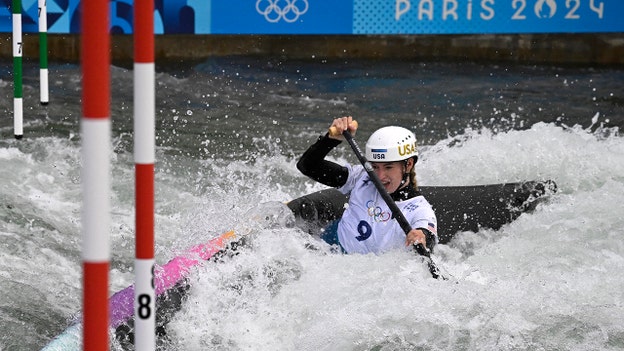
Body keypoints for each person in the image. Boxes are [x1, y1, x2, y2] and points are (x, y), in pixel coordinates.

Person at [296, 116, 438, 255]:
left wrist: (421, 236)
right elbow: (307, 166)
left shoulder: (420, 209)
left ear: (408, 165)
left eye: (388, 167)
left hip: (360, 270)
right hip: (329, 248)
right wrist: (331, 139)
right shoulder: (361, 176)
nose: (380, 176)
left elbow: (427, 237)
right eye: (375, 167)